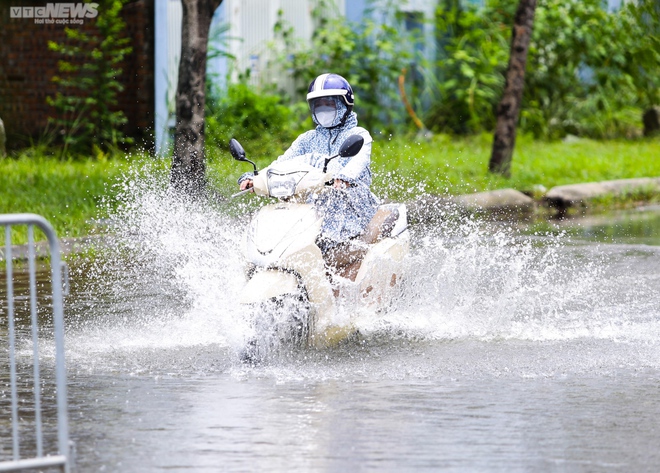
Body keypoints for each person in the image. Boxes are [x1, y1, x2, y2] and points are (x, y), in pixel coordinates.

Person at [238, 73, 379, 268]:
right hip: (311, 205)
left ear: (345, 104)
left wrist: (344, 177)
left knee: (334, 258)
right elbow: (282, 162)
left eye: (329, 104)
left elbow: (358, 161)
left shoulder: (358, 135)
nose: (323, 109)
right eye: (318, 105)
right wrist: (258, 177)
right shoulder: (307, 139)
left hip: (348, 206)